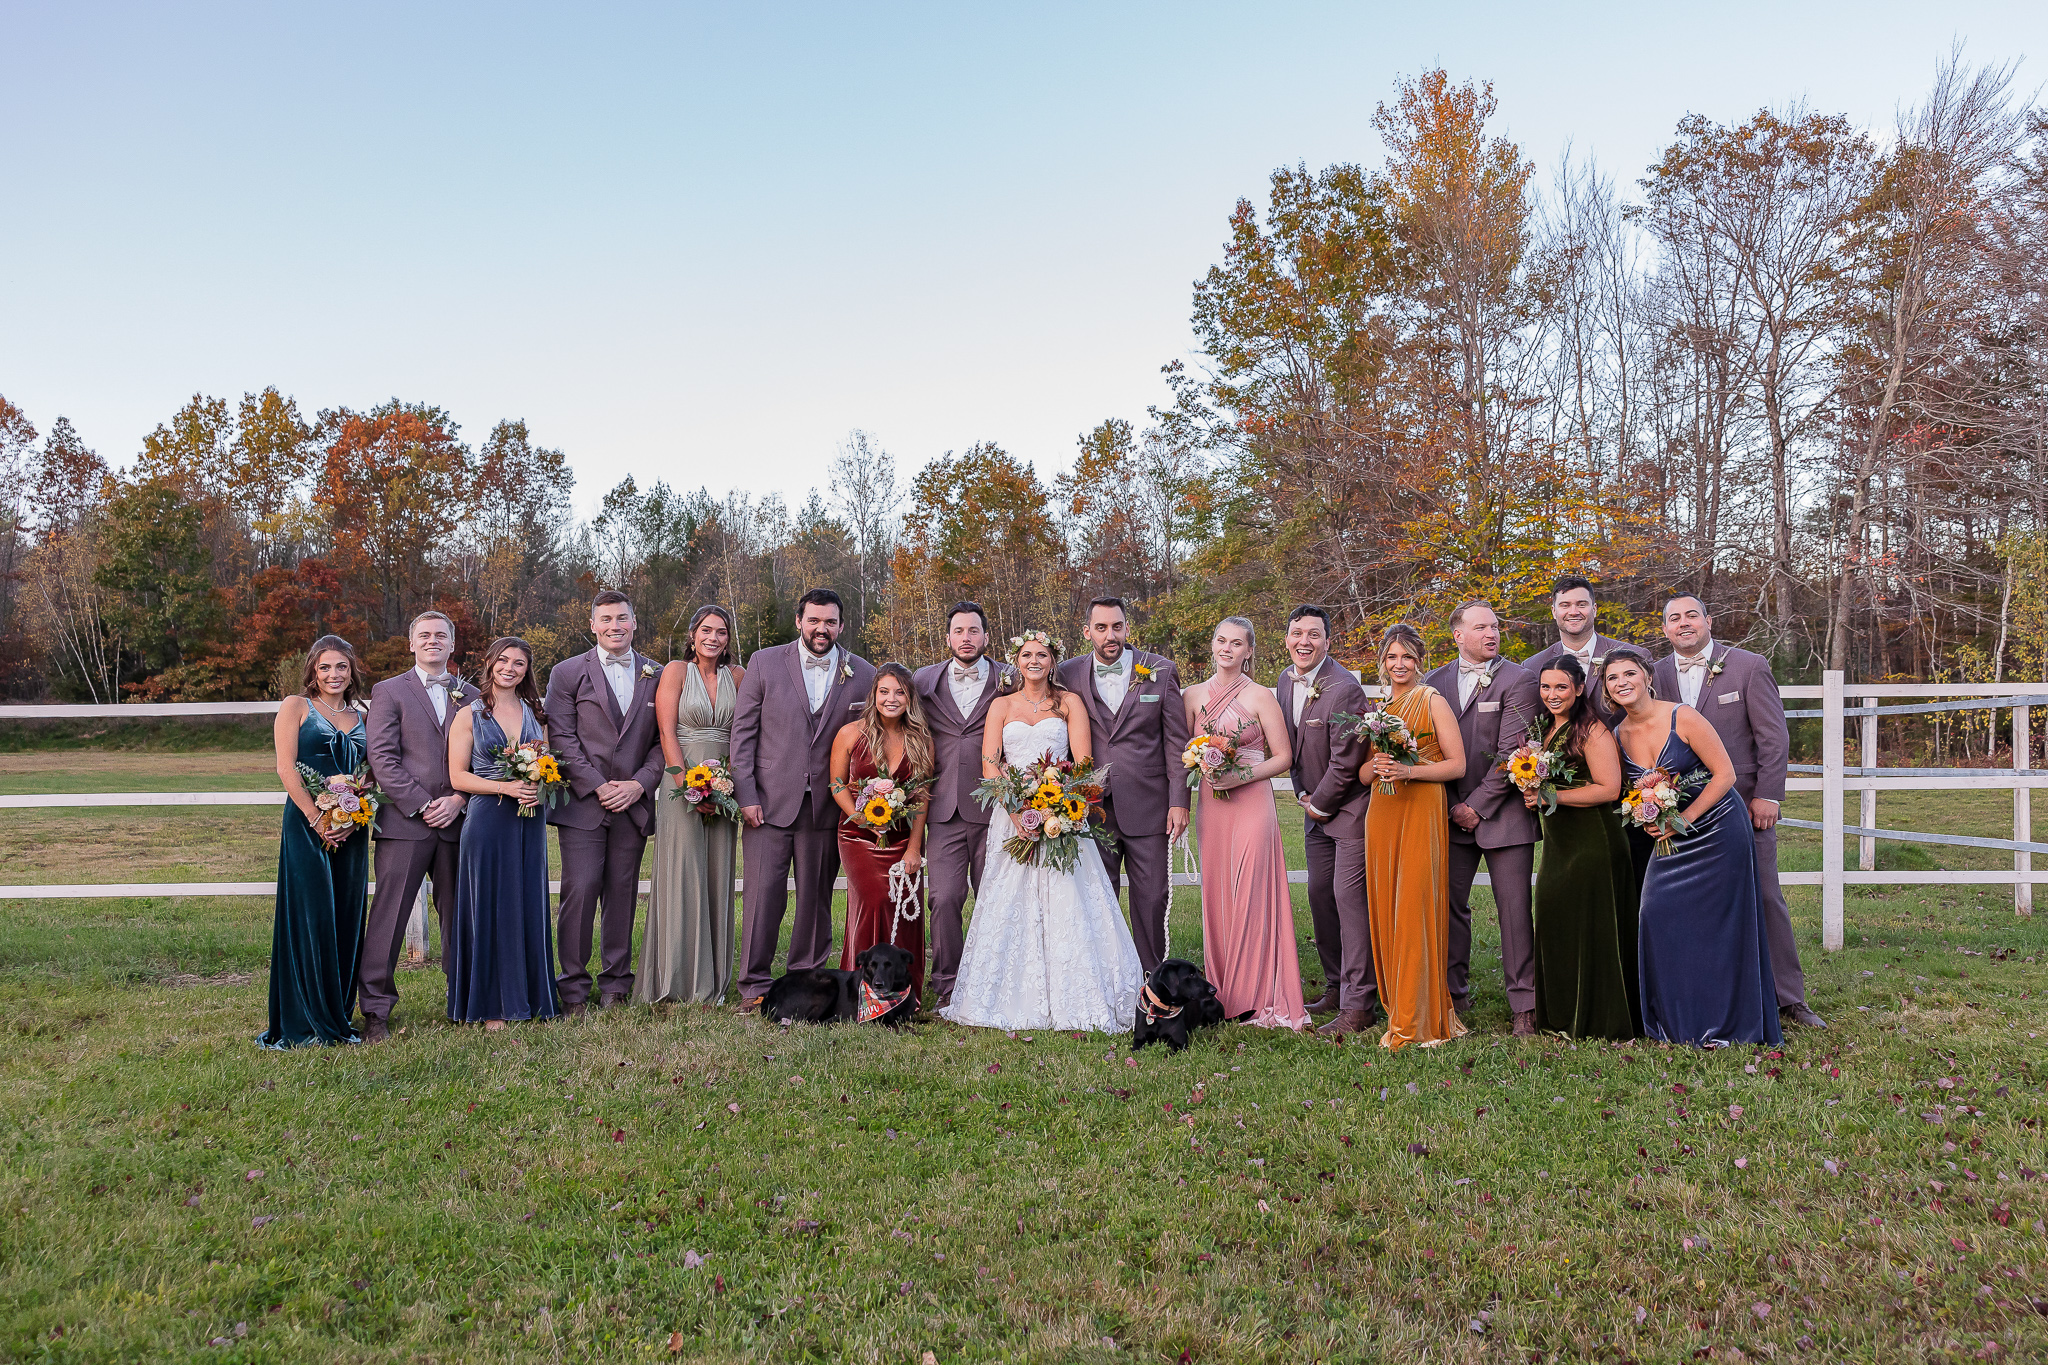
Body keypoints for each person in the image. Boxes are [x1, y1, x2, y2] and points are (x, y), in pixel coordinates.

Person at [942, 630, 1144, 1032]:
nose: (1034, 660)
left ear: (1054, 660)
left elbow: (1084, 763)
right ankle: (1006, 996)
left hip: (1063, 812)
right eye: (1027, 654)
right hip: (1011, 813)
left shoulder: (1069, 703)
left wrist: (1056, 804)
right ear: (1016, 661)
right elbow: (990, 765)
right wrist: (1018, 810)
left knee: (1070, 899)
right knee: (1007, 900)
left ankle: (1077, 993)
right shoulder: (1000, 706)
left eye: (1042, 654)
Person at [1653, 596, 1825, 1031]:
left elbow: (1773, 737)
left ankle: (1789, 998)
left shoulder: (1747, 666)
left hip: (1745, 806)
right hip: (1679, 810)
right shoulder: (1654, 674)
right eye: (1674, 618)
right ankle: (1706, 993)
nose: (1684, 623)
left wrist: (1769, 794)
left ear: (1709, 620)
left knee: (1765, 896)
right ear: (1666, 629)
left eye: (1692, 615)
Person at [1606, 646, 1782, 1048]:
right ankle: (1675, 1020)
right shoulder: (1619, 734)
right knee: (1656, 913)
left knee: (1720, 927)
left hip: (1718, 829)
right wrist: (1649, 818)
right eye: (1613, 678)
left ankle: (1726, 1021)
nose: (1622, 683)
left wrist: (1684, 819)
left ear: (1647, 677)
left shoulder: (1681, 715)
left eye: (1629, 674)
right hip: (1668, 837)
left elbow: (1725, 775)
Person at [729, 588, 877, 1011]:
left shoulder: (863, 673)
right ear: (799, 621)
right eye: (814, 620)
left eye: (830, 621)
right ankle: (754, 985)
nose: (821, 628)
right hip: (769, 804)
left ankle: (806, 983)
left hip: (827, 808)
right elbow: (744, 734)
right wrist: (746, 793)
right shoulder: (764, 663)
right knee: (762, 898)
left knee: (816, 897)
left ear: (841, 626)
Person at [1422, 601, 1542, 1035]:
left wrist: (1476, 805)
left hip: (1504, 815)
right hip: (1447, 815)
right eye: (1480, 628)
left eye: (1494, 626)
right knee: (1448, 908)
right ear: (1457, 635)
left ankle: (1524, 1005)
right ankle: (1453, 996)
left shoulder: (1519, 679)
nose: (1491, 633)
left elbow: (1515, 750)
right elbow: (1428, 749)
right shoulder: (1431, 682)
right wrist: (1454, 805)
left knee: (1514, 909)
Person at [545, 591, 666, 1014]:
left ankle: (616, 983)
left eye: (622, 618)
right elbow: (562, 738)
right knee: (579, 892)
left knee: (623, 892)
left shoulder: (660, 673)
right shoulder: (566, 673)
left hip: (633, 803)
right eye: (605, 619)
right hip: (583, 804)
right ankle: (573, 987)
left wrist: (639, 784)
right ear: (592, 625)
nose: (614, 626)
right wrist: (598, 785)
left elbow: (662, 741)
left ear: (634, 622)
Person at [1184, 617, 1307, 1030]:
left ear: (1249, 651)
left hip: (1252, 799)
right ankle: (1224, 993)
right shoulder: (1192, 696)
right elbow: (1182, 752)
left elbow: (1283, 757)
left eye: (1237, 643)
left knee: (1252, 889)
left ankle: (1258, 994)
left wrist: (1241, 775)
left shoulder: (1260, 696)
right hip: (1212, 804)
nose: (1227, 648)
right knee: (1218, 891)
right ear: (1212, 644)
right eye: (1221, 640)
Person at [1057, 597, 1189, 972]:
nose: (1110, 635)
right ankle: (1107, 976)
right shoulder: (1067, 673)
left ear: (1127, 628)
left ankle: (1153, 976)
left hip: (1150, 804)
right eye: (1101, 628)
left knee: (1152, 896)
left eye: (1117, 626)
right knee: (1098, 894)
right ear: (1087, 632)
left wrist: (1179, 800)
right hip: (1090, 806)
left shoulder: (1161, 670)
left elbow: (1175, 741)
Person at [360, 610, 468, 1043]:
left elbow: (481, 759)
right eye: (423, 635)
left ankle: (463, 999)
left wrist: (459, 800)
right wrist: (423, 804)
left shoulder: (473, 694)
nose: (432, 641)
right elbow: (381, 757)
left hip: (458, 824)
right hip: (405, 824)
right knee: (388, 919)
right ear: (410, 644)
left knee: (462, 918)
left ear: (452, 644)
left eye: (440, 635)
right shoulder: (388, 691)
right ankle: (376, 1011)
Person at [1361, 624, 1468, 1051]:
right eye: (1392, 657)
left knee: (1415, 906)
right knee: (1387, 905)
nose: (1399, 665)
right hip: (1383, 812)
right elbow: (1364, 773)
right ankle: (1397, 1006)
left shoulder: (1431, 700)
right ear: (1383, 663)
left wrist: (1410, 770)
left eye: (1406, 657)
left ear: (1419, 661)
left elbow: (1457, 765)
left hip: (1421, 807)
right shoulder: (1378, 709)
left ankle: (1419, 1017)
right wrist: (1381, 764)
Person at [260, 636, 370, 1049]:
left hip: (352, 828)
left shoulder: (364, 715)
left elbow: (370, 772)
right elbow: (285, 767)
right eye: (325, 668)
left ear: (351, 671)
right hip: (307, 825)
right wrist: (315, 817)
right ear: (313, 670)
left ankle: (338, 1012)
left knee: (345, 915)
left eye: (341, 667)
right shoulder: (295, 706)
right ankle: (302, 1020)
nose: (333, 675)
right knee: (311, 916)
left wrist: (354, 814)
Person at [445, 637, 559, 1029]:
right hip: (488, 819)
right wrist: (506, 787)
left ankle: (528, 998)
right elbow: (457, 776)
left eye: (520, 664)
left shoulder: (535, 712)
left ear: (528, 671)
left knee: (526, 903)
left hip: (529, 819)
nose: (511, 668)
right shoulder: (469, 714)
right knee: (489, 905)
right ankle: (491, 1004)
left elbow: (547, 763)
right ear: (491, 664)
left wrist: (538, 781)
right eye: (504, 661)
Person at [1276, 604, 1377, 1036]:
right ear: (1286, 639)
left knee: (1349, 901)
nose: (1304, 641)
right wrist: (1301, 792)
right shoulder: (1284, 681)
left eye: (1314, 635)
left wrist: (1319, 802)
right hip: (1312, 809)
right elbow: (1292, 746)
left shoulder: (1345, 688)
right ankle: (1336, 985)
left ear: (1328, 642)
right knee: (1319, 895)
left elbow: (1347, 759)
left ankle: (1360, 1004)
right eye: (1297, 633)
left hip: (1350, 808)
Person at [638, 605, 745, 1005]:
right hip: (680, 782)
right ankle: (675, 981)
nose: (713, 638)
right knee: (682, 873)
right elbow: (666, 731)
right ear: (692, 634)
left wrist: (725, 786)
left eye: (721, 632)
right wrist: (687, 785)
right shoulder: (675, 671)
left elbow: (744, 734)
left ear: (728, 639)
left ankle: (713, 983)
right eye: (706, 630)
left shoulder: (739, 676)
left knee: (718, 875)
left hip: (726, 787)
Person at [1525, 656, 1637, 1040]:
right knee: (1556, 918)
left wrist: (1549, 793)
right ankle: (1561, 1014)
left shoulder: (1591, 730)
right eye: (1545, 687)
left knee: (1592, 927)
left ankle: (1597, 1020)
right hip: (1561, 841)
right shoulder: (1545, 728)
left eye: (1560, 687)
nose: (1552, 695)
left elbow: (1608, 788)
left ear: (1577, 688)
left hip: (1594, 840)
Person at [912, 601, 1012, 1010]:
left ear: (986, 637)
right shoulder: (923, 680)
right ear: (948, 636)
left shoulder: (1011, 677)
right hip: (943, 808)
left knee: (999, 896)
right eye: (959, 631)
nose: (966, 638)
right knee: (945, 897)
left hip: (999, 808)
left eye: (974, 631)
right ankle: (948, 984)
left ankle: (996, 981)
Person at [830, 663, 935, 1002]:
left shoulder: (921, 739)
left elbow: (920, 798)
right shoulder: (850, 733)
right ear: (873, 695)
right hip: (858, 837)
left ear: (910, 698)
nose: (892, 699)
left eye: (900, 692)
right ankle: (860, 993)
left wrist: (914, 849)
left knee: (903, 904)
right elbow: (836, 783)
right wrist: (861, 818)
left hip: (903, 838)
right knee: (873, 902)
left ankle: (904, 994)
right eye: (884, 691)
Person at [1525, 575, 1628, 722]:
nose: (1573, 612)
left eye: (1581, 604)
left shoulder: (1632, 657)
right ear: (1554, 612)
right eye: (1565, 605)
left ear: (1594, 609)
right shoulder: (1531, 667)